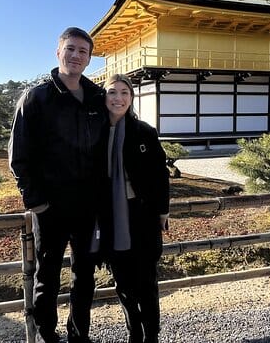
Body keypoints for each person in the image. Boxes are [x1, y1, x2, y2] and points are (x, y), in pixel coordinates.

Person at [9, 27, 106, 343]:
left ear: (89, 58)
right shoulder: (37, 97)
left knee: (85, 275)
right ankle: (47, 336)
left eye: (83, 51)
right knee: (47, 275)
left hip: (88, 208)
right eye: (71, 49)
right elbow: (18, 155)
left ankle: (79, 335)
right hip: (50, 207)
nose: (76, 55)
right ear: (58, 52)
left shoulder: (96, 97)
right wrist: (36, 202)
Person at [99, 74, 170, 343]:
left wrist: (162, 210)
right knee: (122, 281)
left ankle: (151, 334)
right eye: (112, 92)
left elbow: (160, 175)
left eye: (124, 93)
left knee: (147, 282)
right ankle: (134, 331)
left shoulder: (144, 132)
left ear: (131, 98)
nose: (118, 98)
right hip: (108, 215)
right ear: (104, 97)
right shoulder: (95, 132)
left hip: (142, 214)